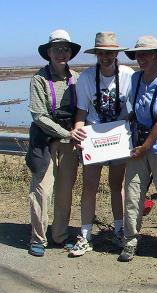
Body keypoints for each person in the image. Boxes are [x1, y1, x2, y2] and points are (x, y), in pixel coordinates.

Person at [118, 36, 157, 265]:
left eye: (145, 54)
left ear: (156, 56)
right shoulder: (135, 79)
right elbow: (130, 112)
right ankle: (130, 241)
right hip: (139, 147)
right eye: (138, 54)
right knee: (133, 194)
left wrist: (146, 147)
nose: (140, 58)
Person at [69, 32, 134, 257]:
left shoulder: (128, 75)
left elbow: (132, 110)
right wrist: (78, 129)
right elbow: (82, 111)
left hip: (118, 139)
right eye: (101, 53)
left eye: (110, 53)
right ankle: (85, 235)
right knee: (89, 186)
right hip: (94, 138)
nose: (106, 57)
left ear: (116, 54)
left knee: (117, 185)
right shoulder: (86, 78)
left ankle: (119, 230)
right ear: (96, 54)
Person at [26, 29, 81, 257]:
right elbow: (38, 116)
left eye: (64, 49)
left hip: (69, 144)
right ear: (48, 52)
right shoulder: (39, 79)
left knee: (65, 191)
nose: (61, 53)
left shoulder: (77, 78)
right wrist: (66, 133)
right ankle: (38, 238)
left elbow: (82, 110)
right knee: (42, 190)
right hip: (45, 142)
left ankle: (60, 236)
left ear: (70, 52)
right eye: (56, 49)